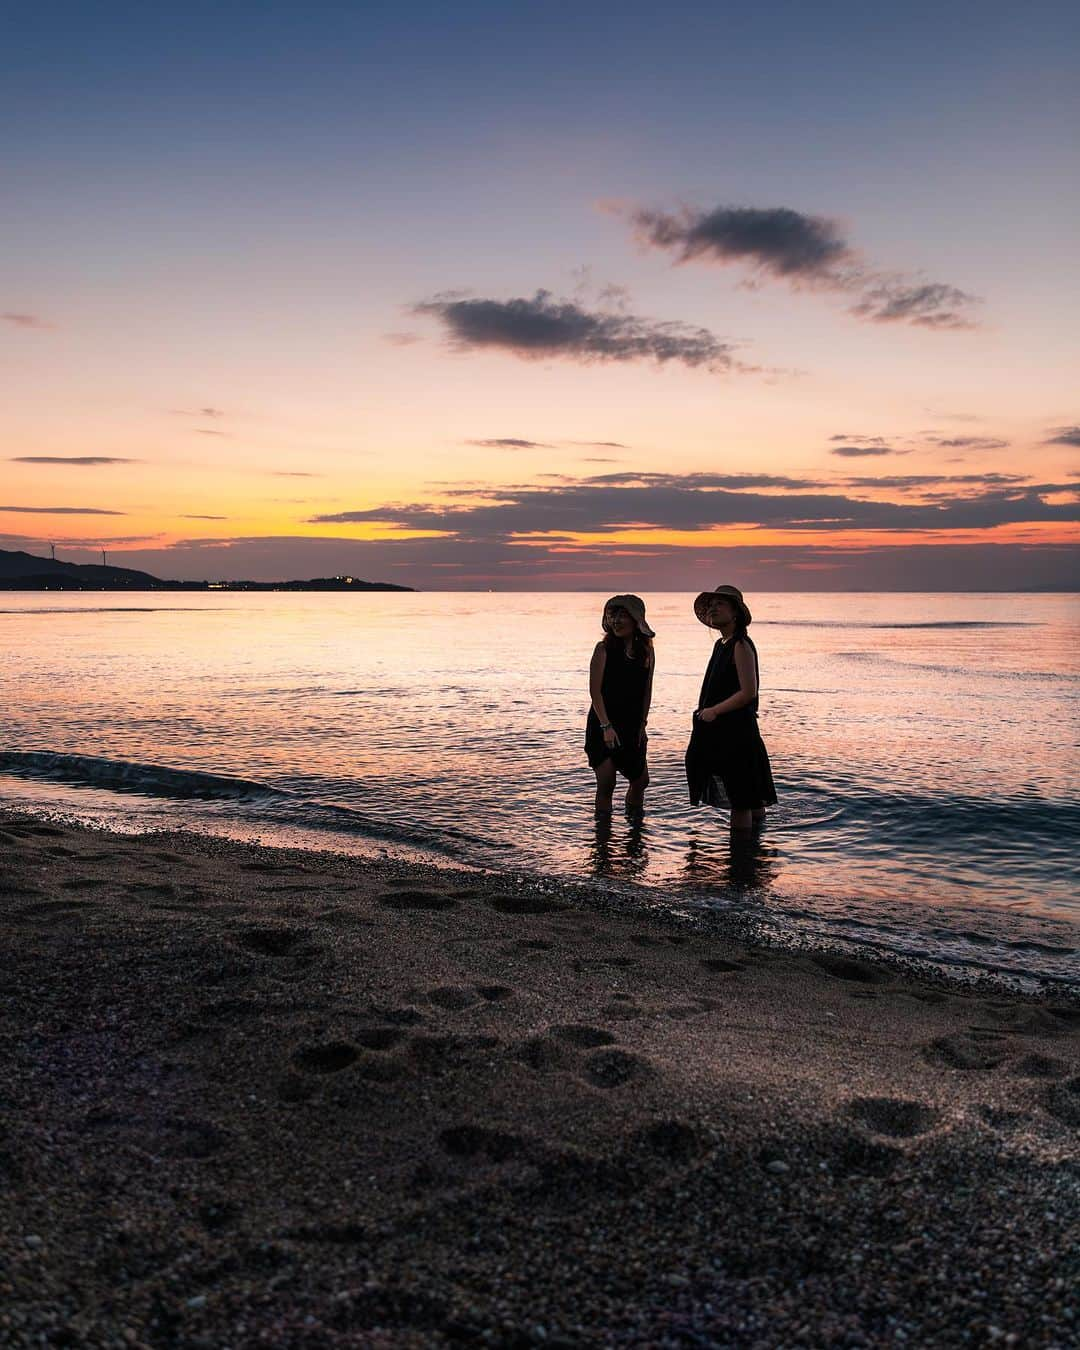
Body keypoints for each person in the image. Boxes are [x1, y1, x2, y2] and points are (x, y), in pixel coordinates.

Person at [685, 584, 777, 831]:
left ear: (735, 612)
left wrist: (714, 710)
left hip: (737, 732)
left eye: (720, 604)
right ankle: (757, 850)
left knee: (741, 800)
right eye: (711, 605)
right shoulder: (722, 644)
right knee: (749, 794)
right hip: (724, 730)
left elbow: (749, 692)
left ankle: (741, 861)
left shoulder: (740, 645)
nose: (713, 608)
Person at [585, 595, 654, 818]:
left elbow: (647, 691)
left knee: (641, 780)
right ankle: (603, 841)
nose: (616, 620)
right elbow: (595, 692)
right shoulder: (603, 649)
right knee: (607, 783)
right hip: (603, 722)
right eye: (613, 615)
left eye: (623, 615)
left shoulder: (647, 652)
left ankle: (635, 830)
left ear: (636, 620)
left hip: (632, 724)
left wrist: (642, 724)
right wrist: (606, 726)